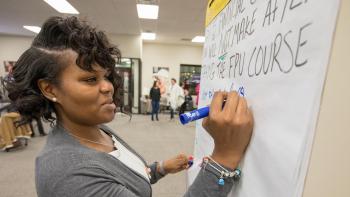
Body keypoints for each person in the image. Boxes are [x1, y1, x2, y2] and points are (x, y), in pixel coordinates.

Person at [6, 16, 254, 197]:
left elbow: (122, 176)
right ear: (50, 89)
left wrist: (160, 168)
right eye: (90, 79)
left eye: (106, 76)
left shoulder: (95, 130)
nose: (108, 87)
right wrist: (224, 158)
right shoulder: (69, 174)